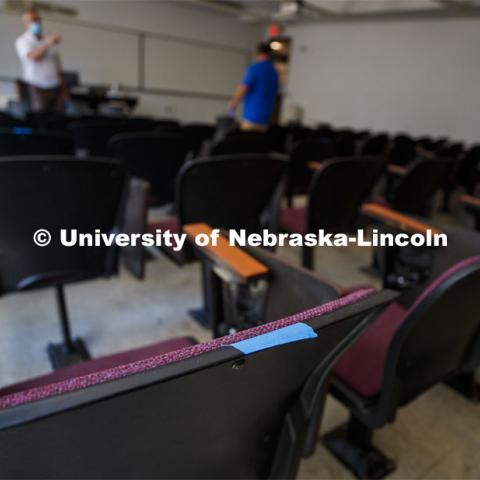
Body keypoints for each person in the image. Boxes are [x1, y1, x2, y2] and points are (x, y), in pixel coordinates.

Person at [15, 8, 68, 113]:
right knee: (41, 118)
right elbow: (32, 56)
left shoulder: (48, 41)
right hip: (37, 86)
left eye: (37, 19)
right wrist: (48, 44)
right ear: (25, 23)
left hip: (55, 86)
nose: (36, 22)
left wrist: (64, 89)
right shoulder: (23, 41)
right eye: (32, 20)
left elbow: (58, 67)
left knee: (59, 120)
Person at [228, 42, 279, 132]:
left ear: (258, 53)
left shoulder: (255, 68)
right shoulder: (274, 72)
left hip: (251, 117)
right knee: (258, 143)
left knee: (247, 143)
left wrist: (233, 104)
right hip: (266, 118)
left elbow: (243, 88)